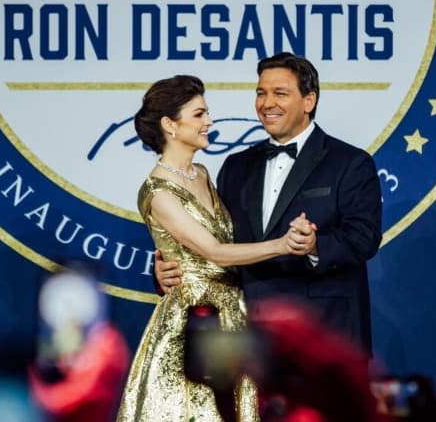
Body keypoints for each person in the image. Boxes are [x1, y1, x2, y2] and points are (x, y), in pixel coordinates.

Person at [155, 52, 383, 359]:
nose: (267, 103)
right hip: (249, 338)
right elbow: (216, 239)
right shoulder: (236, 166)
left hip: (326, 336)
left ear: (309, 101)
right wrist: (165, 268)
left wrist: (315, 246)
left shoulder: (350, 163)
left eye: (280, 93)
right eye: (261, 93)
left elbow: (364, 238)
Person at [115, 74, 314, 422]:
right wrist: (282, 244)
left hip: (233, 317)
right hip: (194, 324)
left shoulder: (204, 173)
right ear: (169, 125)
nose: (209, 121)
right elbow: (216, 251)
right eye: (199, 114)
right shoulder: (159, 192)